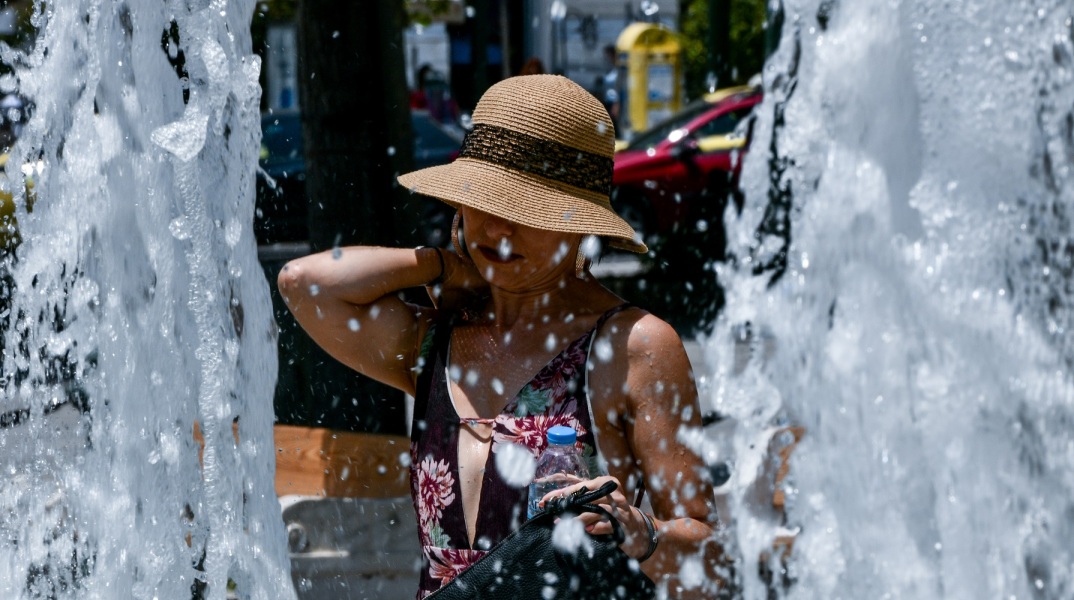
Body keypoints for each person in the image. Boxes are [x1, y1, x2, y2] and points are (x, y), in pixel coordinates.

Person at [278, 74, 724, 598]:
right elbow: (304, 285)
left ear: (579, 223)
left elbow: (709, 557)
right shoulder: (435, 341)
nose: (498, 230)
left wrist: (642, 533)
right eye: (484, 201)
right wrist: (442, 266)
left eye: (525, 212)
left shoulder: (633, 348)